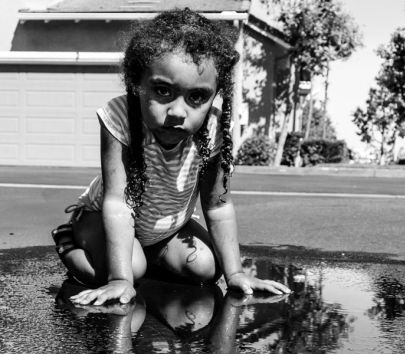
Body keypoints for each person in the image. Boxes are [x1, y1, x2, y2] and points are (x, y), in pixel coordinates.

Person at [51, 8, 291, 306]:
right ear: (138, 83)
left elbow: (218, 206)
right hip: (101, 219)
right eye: (163, 91)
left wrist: (236, 274)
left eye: (197, 97)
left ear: (215, 95)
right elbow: (117, 203)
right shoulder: (121, 116)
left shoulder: (214, 129)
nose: (178, 111)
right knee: (129, 270)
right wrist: (121, 279)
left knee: (205, 267)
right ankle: (68, 242)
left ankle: (141, 256)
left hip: (165, 229)